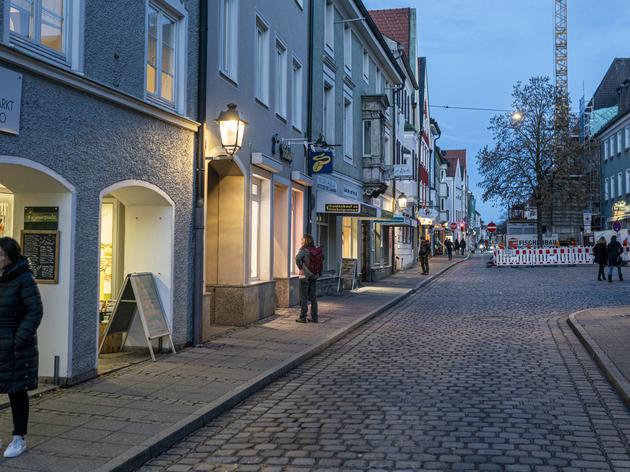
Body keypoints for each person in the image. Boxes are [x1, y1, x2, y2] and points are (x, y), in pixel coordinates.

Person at [0, 237, 43, 458]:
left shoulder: (23, 279)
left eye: (0, 254)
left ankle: (19, 438)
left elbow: (35, 310)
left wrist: (18, 338)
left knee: (16, 391)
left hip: (15, 346)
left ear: (10, 256)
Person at [295, 234, 323, 323]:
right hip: (314, 275)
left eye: (302, 239)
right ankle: (315, 318)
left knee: (304, 296)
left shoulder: (303, 250)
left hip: (305, 276)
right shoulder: (315, 249)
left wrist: (301, 268)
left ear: (306, 240)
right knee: (313, 296)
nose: (301, 240)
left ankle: (303, 317)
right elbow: (323, 258)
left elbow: (297, 258)